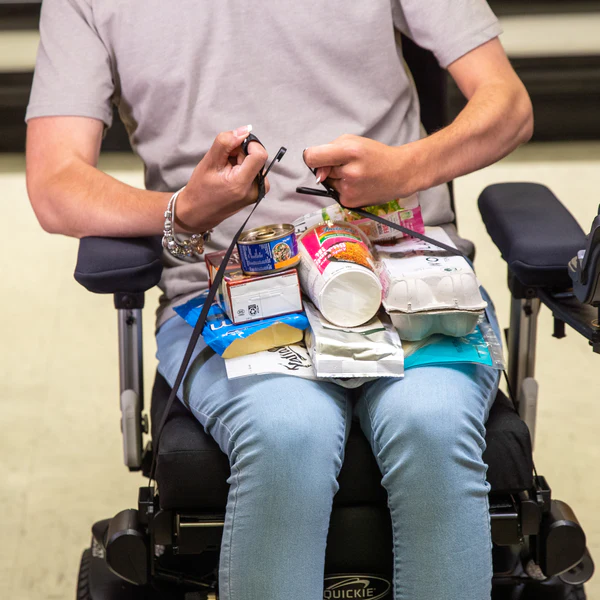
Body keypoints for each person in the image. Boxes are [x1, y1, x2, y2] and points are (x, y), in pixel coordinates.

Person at [25, 1, 533, 598]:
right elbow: (55, 180)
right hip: (227, 294)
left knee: (432, 422)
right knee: (290, 431)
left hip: (399, 273)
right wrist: (180, 211)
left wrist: (405, 167)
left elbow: (509, 106)